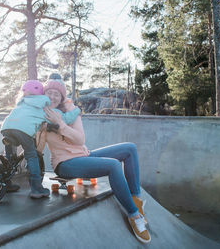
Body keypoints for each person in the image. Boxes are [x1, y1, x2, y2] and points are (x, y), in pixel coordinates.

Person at [36, 74, 151, 243]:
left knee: (129, 148)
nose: (52, 97)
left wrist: (60, 125)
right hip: (65, 164)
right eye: (49, 92)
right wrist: (39, 130)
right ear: (44, 95)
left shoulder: (71, 112)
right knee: (113, 165)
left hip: (83, 155)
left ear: (62, 97)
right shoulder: (40, 115)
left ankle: (135, 199)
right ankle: (134, 215)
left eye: (57, 94)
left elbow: (80, 139)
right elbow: (38, 148)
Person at [0, 80, 81, 198]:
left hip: (6, 127)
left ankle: (5, 182)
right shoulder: (45, 106)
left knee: (10, 157)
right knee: (31, 155)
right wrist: (77, 110)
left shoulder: (22, 102)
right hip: (23, 131)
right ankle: (37, 189)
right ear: (42, 94)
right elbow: (66, 118)